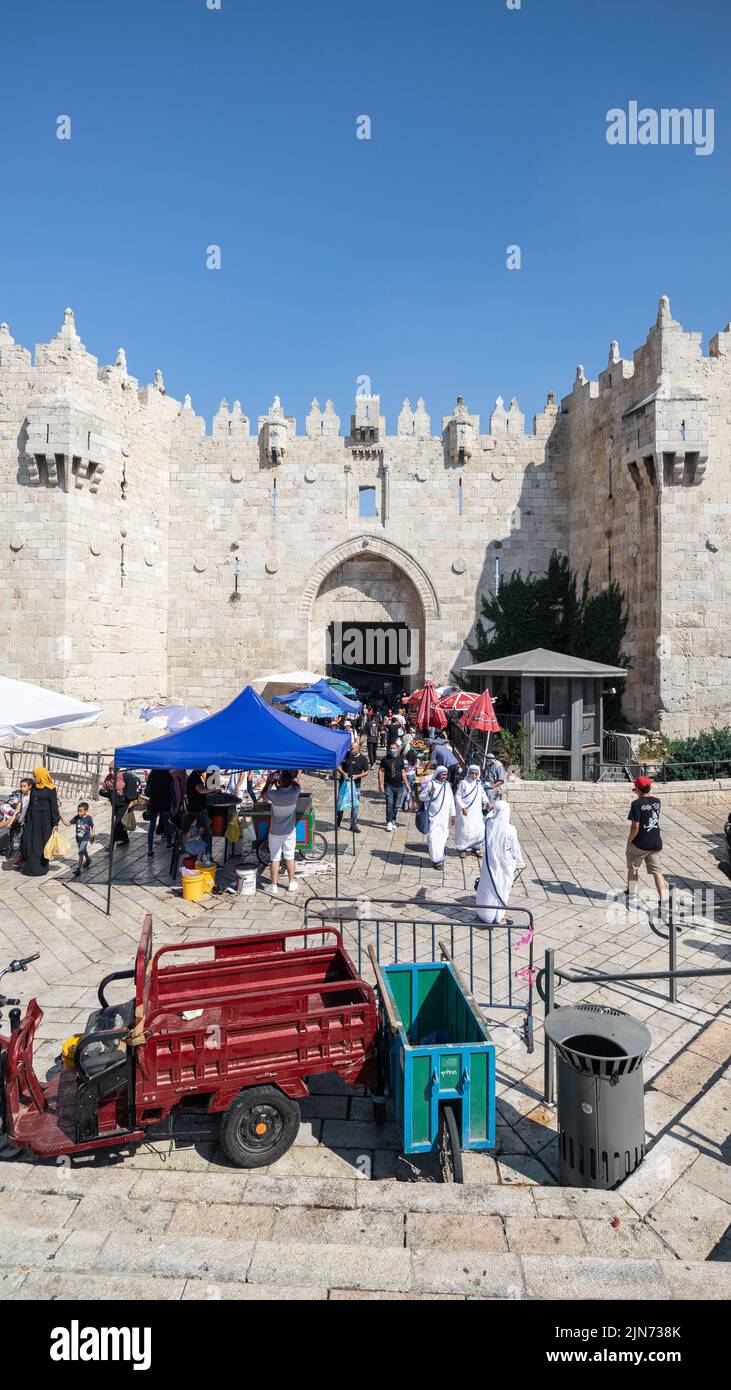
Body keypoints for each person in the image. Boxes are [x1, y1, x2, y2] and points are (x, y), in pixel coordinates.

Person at [476, 801, 525, 924]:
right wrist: (521, 863)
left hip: (490, 863)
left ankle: (486, 914)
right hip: (504, 865)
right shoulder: (510, 829)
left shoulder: (488, 823)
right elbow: (515, 849)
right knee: (502, 888)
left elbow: (489, 815)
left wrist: (491, 808)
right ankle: (497, 918)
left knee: (489, 887)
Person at [626, 775, 669, 915]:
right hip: (655, 842)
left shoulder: (636, 804)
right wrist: (639, 793)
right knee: (657, 873)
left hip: (640, 843)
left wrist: (629, 841)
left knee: (633, 869)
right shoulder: (657, 802)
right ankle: (664, 902)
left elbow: (635, 826)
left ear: (637, 788)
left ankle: (632, 898)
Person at [262, 770, 301, 893]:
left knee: (275, 858)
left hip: (275, 832)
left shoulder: (274, 794)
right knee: (290, 857)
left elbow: (263, 795)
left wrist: (269, 781)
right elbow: (297, 784)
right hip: (289, 831)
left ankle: (273, 885)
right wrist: (289, 777)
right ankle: (291, 883)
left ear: (279, 782)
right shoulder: (295, 792)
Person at [21, 767, 61, 877]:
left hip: (45, 820)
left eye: (35, 776)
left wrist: (55, 823)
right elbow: (31, 803)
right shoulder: (34, 787)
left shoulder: (51, 789)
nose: (34, 778)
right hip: (32, 818)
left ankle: (41, 868)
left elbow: (54, 807)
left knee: (41, 842)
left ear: (41, 776)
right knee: (28, 840)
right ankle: (29, 866)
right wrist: (26, 818)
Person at [419, 765, 455, 869]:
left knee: (443, 837)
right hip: (433, 816)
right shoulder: (431, 784)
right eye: (443, 774)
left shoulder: (447, 785)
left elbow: (451, 800)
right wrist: (429, 794)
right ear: (438, 774)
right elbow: (421, 796)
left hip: (444, 817)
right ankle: (436, 859)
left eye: (446, 774)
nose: (444, 776)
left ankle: (440, 859)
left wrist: (453, 814)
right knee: (433, 837)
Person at [100, 762, 140, 846]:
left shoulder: (123, 777)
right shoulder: (108, 779)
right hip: (115, 804)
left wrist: (132, 801)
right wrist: (104, 792)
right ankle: (125, 839)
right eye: (110, 770)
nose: (111, 772)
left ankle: (111, 843)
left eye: (113, 770)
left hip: (124, 804)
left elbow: (130, 791)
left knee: (117, 824)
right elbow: (105, 789)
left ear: (117, 769)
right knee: (120, 823)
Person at [455, 764, 489, 858]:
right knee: (465, 830)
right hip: (466, 811)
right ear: (468, 773)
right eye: (472, 773)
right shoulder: (463, 783)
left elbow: (483, 795)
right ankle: (463, 849)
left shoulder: (479, 783)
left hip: (476, 812)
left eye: (476, 773)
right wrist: (462, 808)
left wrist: (487, 802)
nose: (474, 775)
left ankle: (476, 848)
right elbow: (457, 797)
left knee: (478, 829)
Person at [337, 738, 369, 832]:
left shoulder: (363, 759)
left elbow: (366, 772)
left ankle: (353, 825)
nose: (351, 750)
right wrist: (342, 772)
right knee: (340, 804)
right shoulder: (346, 755)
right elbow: (337, 765)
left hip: (356, 786)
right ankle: (338, 823)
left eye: (353, 749)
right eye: (350, 748)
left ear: (358, 749)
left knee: (355, 806)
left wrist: (358, 776)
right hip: (344, 784)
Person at [185, 769, 216, 862]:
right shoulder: (194, 778)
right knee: (207, 834)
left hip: (198, 810)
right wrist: (214, 789)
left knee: (204, 833)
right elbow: (201, 790)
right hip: (197, 811)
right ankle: (207, 859)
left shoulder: (196, 777)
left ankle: (203, 857)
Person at [378, 741, 410, 831]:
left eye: (394, 748)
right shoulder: (385, 759)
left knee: (396, 805)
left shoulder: (400, 759)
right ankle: (388, 821)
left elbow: (403, 772)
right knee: (389, 804)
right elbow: (381, 771)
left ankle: (393, 820)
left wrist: (407, 784)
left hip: (399, 786)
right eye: (390, 748)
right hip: (388, 785)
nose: (392, 750)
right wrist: (380, 784)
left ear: (397, 749)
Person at [2, 776, 33, 865]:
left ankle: (25, 858)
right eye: (21, 786)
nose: (22, 788)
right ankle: (21, 858)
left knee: (25, 841)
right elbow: (17, 810)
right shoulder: (21, 796)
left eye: (24, 786)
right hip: (21, 821)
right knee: (20, 840)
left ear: (30, 786)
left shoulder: (33, 796)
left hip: (29, 821)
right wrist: (11, 821)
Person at [145, 769, 173, 856]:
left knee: (152, 826)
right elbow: (172, 792)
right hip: (165, 803)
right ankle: (169, 843)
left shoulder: (152, 774)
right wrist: (175, 803)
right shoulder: (168, 775)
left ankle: (150, 849)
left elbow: (147, 791)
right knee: (168, 824)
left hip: (154, 803)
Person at [67, 801, 94, 877]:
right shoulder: (76, 817)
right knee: (83, 850)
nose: (79, 813)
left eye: (81, 811)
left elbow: (92, 826)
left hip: (85, 838)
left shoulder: (89, 818)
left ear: (86, 811)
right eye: (78, 811)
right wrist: (61, 818)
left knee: (80, 852)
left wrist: (93, 835)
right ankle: (88, 859)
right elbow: (68, 824)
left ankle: (78, 869)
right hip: (78, 838)